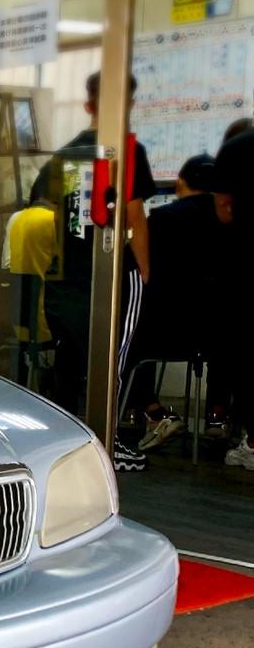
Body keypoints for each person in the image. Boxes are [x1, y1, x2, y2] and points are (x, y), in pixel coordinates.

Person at [29, 71, 157, 471]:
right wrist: (145, 271)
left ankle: (67, 445)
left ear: (88, 106)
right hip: (110, 275)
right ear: (129, 105)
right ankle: (109, 440)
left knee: (69, 361)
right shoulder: (125, 152)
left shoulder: (68, 153)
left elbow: (48, 211)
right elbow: (134, 214)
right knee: (111, 361)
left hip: (67, 276)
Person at [121, 154, 220, 451]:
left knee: (127, 338)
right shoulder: (227, 222)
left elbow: (133, 266)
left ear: (179, 183)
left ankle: (153, 412)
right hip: (215, 336)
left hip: (162, 332)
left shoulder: (162, 219)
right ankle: (219, 419)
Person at [207, 129, 254, 469]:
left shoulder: (237, 149)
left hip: (245, 262)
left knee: (245, 353)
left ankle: (252, 442)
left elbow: (223, 208)